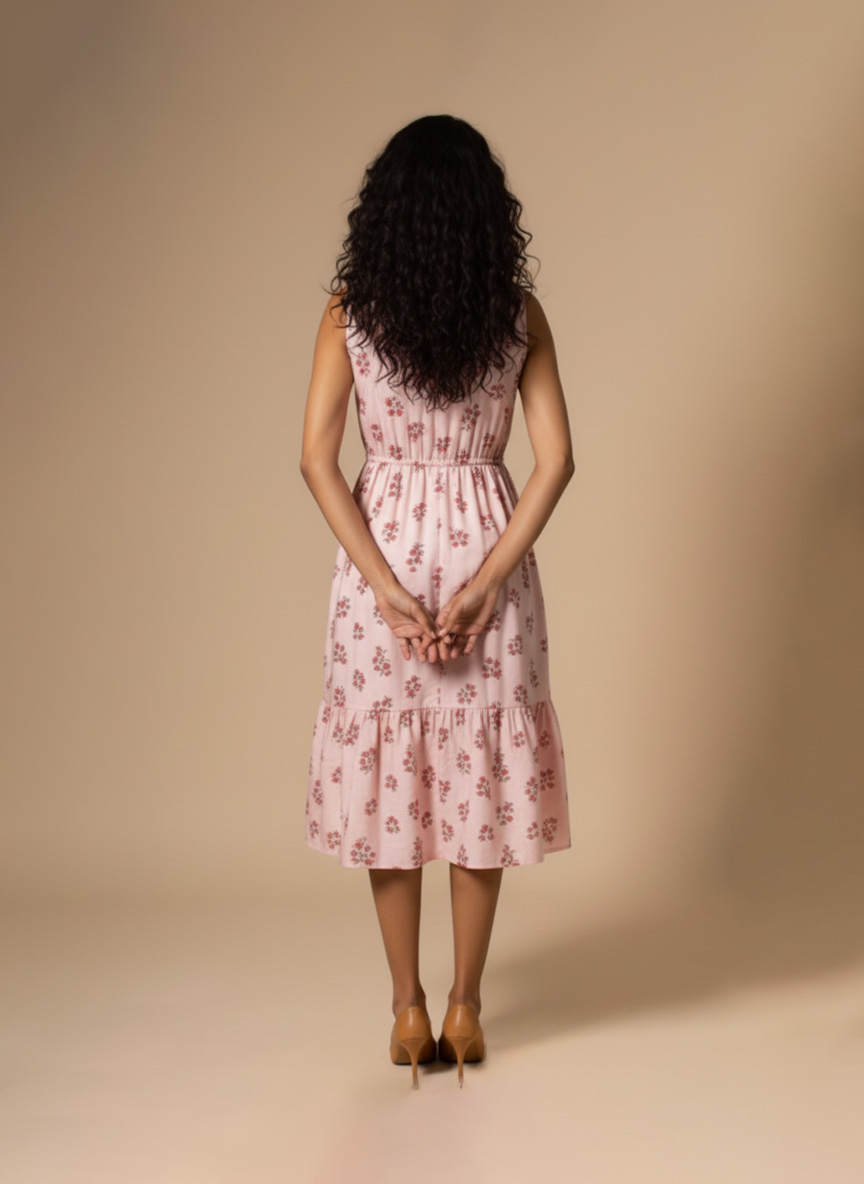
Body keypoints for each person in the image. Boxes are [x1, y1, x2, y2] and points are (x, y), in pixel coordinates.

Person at [300, 114, 575, 1088]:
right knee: (477, 780)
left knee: (392, 782)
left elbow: (316, 459)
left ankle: (405, 1008)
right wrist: (492, 575)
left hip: (386, 565)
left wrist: (383, 584)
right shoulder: (516, 314)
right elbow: (557, 461)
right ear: (485, 218)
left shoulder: (349, 313)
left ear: (385, 214)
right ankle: (465, 1001)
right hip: (483, 552)